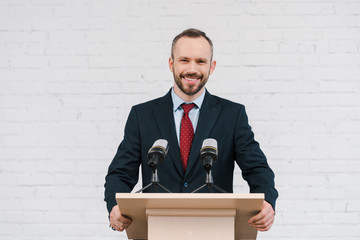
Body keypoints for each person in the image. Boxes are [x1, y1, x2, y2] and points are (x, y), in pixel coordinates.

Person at [104, 28, 278, 233]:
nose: (192, 69)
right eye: (184, 60)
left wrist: (267, 202)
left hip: (215, 229)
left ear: (212, 67)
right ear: (171, 64)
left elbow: (257, 168)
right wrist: (115, 207)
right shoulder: (142, 115)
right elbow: (120, 173)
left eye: (201, 61)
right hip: (159, 229)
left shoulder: (233, 115)